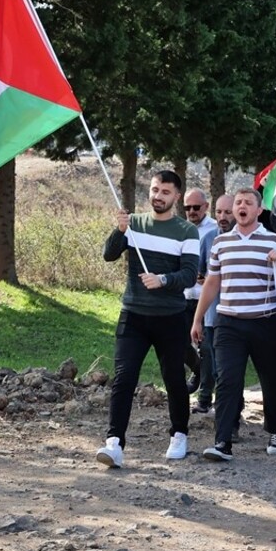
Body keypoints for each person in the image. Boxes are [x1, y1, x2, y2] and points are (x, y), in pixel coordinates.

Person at [96, 170, 201, 468]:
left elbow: (190, 275)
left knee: (174, 380)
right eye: (155, 190)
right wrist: (119, 230)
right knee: (124, 378)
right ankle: (114, 443)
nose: (158, 196)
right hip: (134, 316)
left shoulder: (186, 231)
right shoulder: (135, 223)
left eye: (165, 192)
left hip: (170, 318)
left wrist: (163, 279)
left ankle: (179, 433)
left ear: (176, 197)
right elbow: (108, 255)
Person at [193, 188, 276, 462]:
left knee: (272, 380)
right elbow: (212, 282)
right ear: (233, 209)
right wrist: (198, 318)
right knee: (227, 381)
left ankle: (275, 431)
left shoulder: (275, 241)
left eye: (248, 202)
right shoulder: (220, 243)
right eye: (238, 203)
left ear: (259, 210)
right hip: (228, 323)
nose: (242, 206)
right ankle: (222, 442)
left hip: (265, 322)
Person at [192, 194, 236, 415]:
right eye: (219, 212)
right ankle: (204, 398)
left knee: (227, 367)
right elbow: (200, 273)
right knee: (208, 357)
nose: (223, 217)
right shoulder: (208, 238)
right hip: (211, 312)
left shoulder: (243, 240)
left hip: (236, 314)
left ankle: (230, 409)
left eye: (228, 212)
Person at [182, 188, 215, 392]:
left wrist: (208, 278)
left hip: (206, 298)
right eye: (187, 207)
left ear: (206, 207)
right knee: (180, 343)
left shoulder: (213, 230)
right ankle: (198, 370)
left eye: (196, 207)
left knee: (206, 348)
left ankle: (204, 397)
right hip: (184, 296)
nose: (192, 211)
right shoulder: (180, 228)